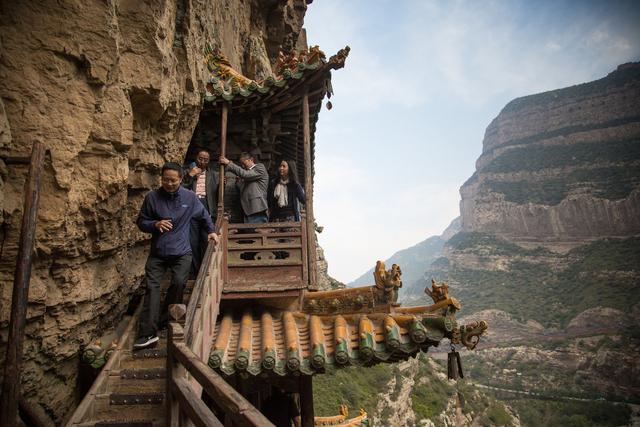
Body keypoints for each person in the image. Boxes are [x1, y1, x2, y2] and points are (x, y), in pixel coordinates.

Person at [134, 162, 218, 349]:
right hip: (158, 252)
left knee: (179, 282)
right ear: (161, 179)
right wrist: (155, 224)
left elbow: (204, 215)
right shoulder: (152, 198)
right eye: (165, 180)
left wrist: (211, 231)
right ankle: (147, 334)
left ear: (181, 179)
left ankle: (165, 318)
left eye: (173, 180)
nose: (169, 183)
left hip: (182, 252)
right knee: (152, 289)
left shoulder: (189, 197)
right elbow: (141, 221)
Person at [182, 148, 218, 276]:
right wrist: (191, 175)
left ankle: (206, 269)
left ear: (209, 161)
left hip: (206, 208)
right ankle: (194, 272)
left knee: (206, 240)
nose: (202, 161)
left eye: (205, 160)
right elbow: (180, 188)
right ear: (196, 158)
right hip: (191, 209)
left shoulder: (214, 174)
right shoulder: (187, 172)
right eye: (200, 158)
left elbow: (218, 192)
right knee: (192, 241)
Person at [219, 152, 269, 223]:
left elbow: (246, 175)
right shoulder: (245, 173)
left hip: (257, 210)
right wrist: (238, 182)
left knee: (257, 233)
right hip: (246, 211)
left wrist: (229, 163)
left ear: (251, 160)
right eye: (241, 164)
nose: (242, 166)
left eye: (244, 163)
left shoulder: (260, 167)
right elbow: (242, 188)